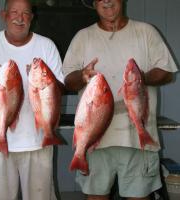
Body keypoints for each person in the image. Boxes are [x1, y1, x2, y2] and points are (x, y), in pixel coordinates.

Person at [63, 0, 178, 200]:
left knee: (139, 197)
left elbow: (167, 73)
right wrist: (82, 75)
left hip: (137, 138)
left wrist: (141, 78)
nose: (106, 1)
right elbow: (68, 81)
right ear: (94, 3)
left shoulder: (146, 31)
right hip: (94, 139)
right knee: (96, 197)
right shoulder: (83, 37)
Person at [0, 0, 64, 199]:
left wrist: (43, 80)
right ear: (4, 15)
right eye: (14, 12)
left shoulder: (46, 46)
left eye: (25, 13)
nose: (19, 18)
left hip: (38, 141)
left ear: (32, 17)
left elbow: (60, 89)